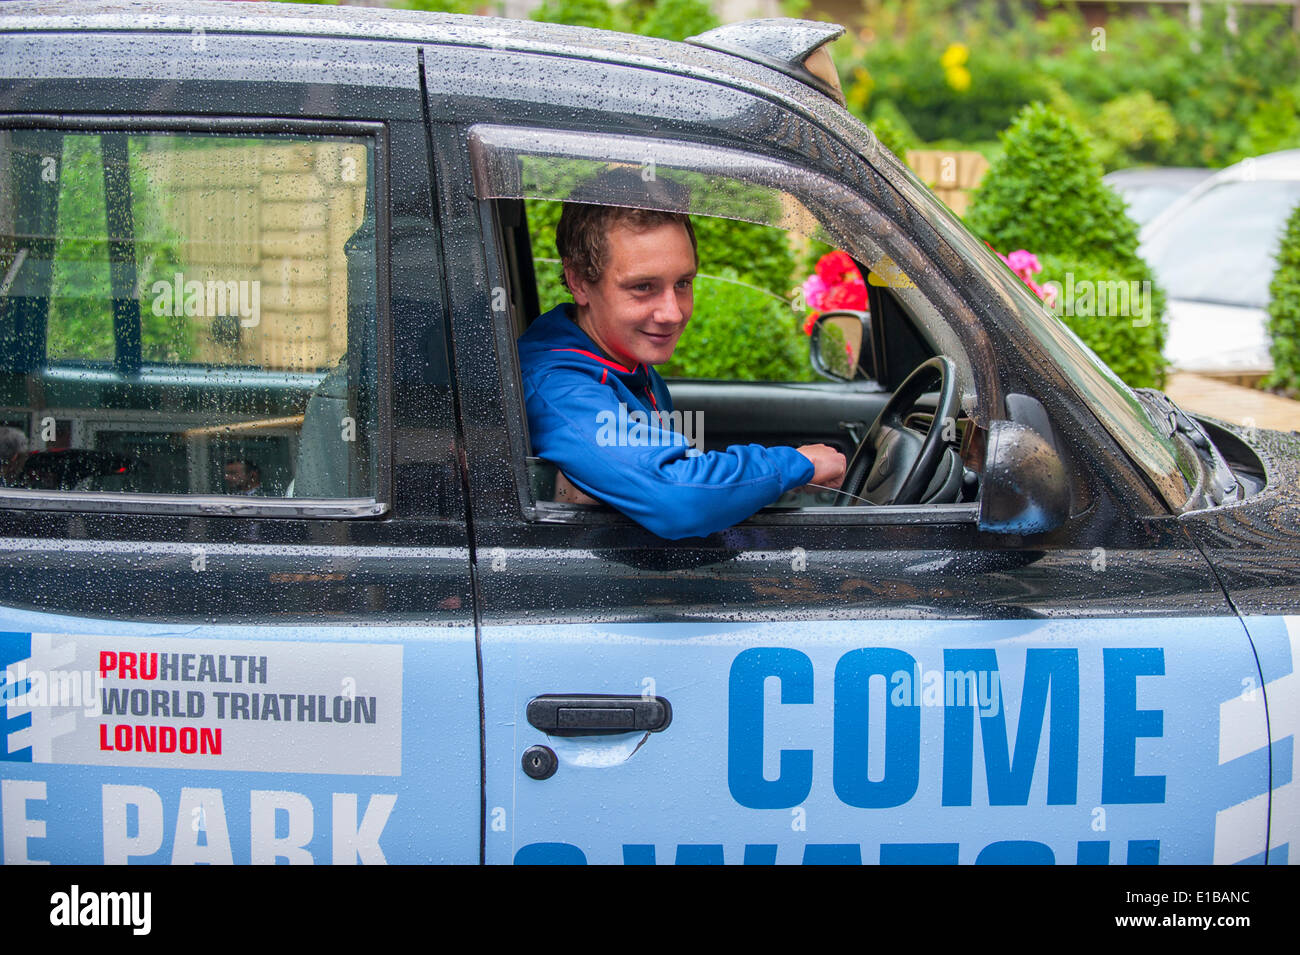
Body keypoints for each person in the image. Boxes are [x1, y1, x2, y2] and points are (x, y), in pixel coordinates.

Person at [517, 202, 846, 540]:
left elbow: (675, 469)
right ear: (580, 282)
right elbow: (678, 498)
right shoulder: (558, 387)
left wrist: (769, 484)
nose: (673, 314)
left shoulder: (624, 360)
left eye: (683, 283)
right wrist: (794, 464)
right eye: (643, 287)